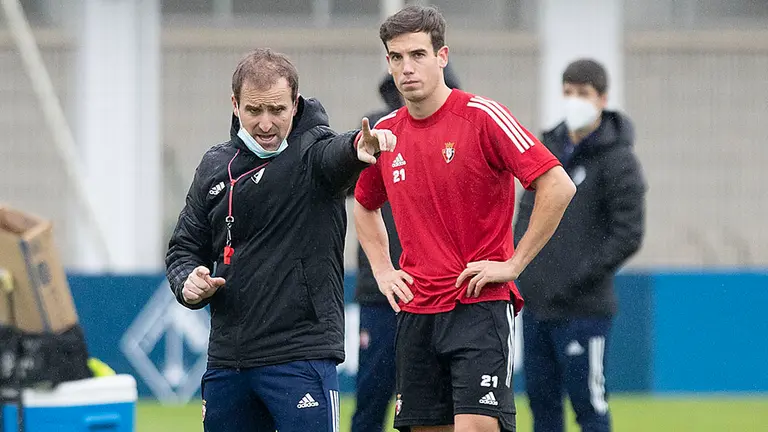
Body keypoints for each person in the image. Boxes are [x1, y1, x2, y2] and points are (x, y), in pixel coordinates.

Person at [353, 6, 577, 432]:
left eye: (418, 55)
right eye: (397, 58)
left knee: (476, 426)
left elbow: (558, 185)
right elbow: (363, 203)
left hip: (479, 304)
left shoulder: (482, 116)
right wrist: (383, 269)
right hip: (416, 310)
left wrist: (513, 264)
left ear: (442, 56)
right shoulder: (385, 133)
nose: (407, 68)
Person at [165, 48, 396, 432]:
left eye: (277, 110)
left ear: (295, 104)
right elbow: (183, 249)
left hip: (301, 356)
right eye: (255, 111)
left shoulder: (313, 152)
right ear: (235, 104)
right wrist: (187, 281)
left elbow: (335, 155)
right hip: (228, 359)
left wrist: (358, 149)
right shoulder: (213, 166)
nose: (266, 123)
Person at [514, 59, 646, 432]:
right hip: (537, 306)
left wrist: (577, 277)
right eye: (568, 92)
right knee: (542, 411)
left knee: (589, 407)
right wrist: (526, 271)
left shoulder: (619, 161)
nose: (574, 101)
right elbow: (526, 215)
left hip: (584, 308)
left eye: (583, 94)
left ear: (602, 99)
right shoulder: (545, 151)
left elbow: (628, 233)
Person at [350, 65, 462, 432]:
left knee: (434, 406)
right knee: (372, 396)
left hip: (441, 290)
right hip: (382, 292)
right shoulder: (377, 131)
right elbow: (356, 195)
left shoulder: (459, 129)